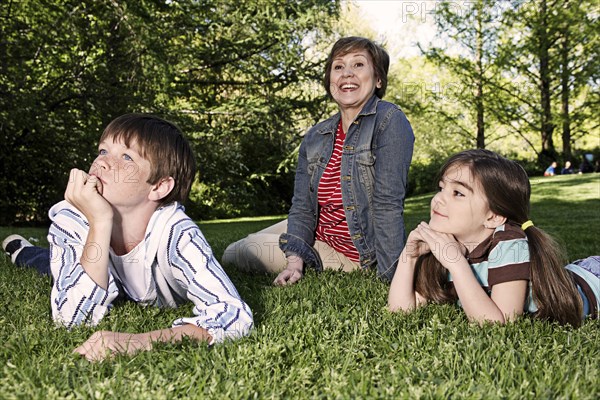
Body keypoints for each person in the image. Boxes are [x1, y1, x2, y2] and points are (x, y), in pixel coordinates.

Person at [2, 114, 253, 361]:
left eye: (126, 156)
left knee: (52, 264)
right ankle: (22, 251)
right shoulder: (73, 216)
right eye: (102, 151)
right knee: (46, 264)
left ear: (158, 187)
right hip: (103, 271)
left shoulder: (177, 233)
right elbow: (72, 318)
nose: (101, 162)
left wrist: (140, 341)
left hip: (129, 281)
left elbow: (233, 315)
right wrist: (100, 221)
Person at [222, 37, 414, 285]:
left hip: (353, 252)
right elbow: (303, 206)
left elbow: (388, 205)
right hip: (316, 229)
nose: (346, 73)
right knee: (239, 247)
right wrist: (294, 260)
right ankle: (296, 250)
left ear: (378, 79)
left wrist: (393, 279)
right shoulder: (317, 135)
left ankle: (309, 254)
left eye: (358, 65)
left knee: (238, 252)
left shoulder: (390, 121)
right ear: (330, 80)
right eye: (338, 67)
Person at [388, 149, 598, 327]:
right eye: (442, 188)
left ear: (493, 217)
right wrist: (410, 257)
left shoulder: (509, 242)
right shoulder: (443, 242)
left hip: (593, 282)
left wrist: (456, 263)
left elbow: (498, 324)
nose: (438, 199)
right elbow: (401, 312)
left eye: (458, 193)